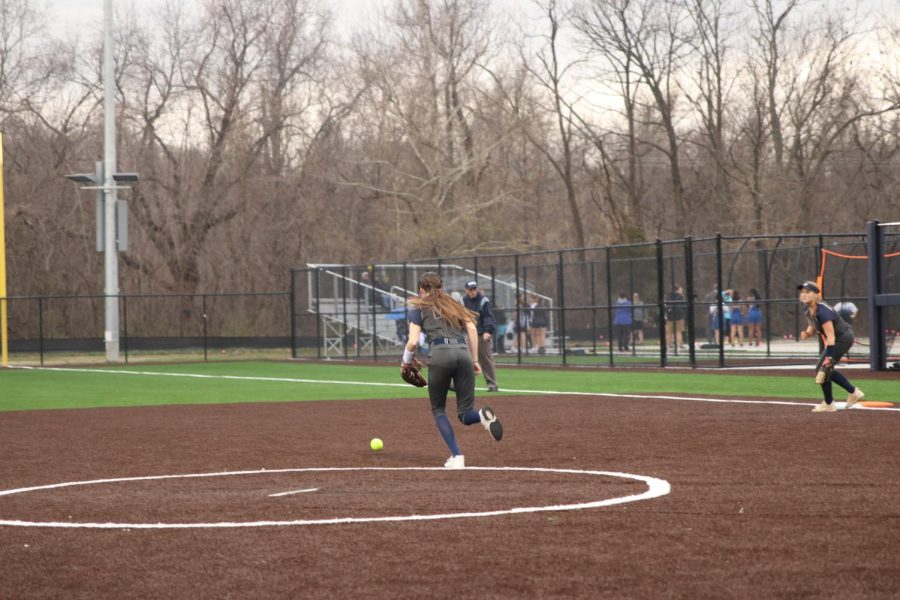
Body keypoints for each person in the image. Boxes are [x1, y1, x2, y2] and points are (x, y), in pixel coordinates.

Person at [402, 272, 503, 468]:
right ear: (441, 288)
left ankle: (457, 456)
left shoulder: (419, 306)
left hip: (440, 353)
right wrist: (475, 359)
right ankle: (482, 415)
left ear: (421, 290)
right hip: (463, 353)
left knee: (438, 409)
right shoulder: (454, 303)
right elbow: (473, 329)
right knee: (465, 414)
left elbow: (413, 341)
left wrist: (405, 362)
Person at [797, 281, 864, 413]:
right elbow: (812, 326)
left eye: (807, 292)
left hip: (842, 339)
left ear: (816, 294)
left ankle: (829, 403)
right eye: (802, 292)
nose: (803, 295)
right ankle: (853, 392)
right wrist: (807, 333)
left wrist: (830, 357)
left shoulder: (823, 311)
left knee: (822, 370)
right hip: (838, 339)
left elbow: (831, 336)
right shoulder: (808, 309)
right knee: (824, 370)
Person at [463, 280, 499, 392]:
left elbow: (488, 316)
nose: (473, 291)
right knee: (466, 360)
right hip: (469, 334)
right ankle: (466, 384)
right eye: (470, 289)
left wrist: (488, 331)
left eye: (474, 289)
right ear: (466, 290)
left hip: (481, 334)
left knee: (485, 359)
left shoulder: (483, 300)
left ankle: (492, 384)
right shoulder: (464, 301)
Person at [665, 285, 687, 349]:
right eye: (681, 289)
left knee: (669, 332)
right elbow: (684, 306)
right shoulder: (680, 296)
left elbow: (666, 305)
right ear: (677, 289)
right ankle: (679, 345)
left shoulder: (668, 296)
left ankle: (668, 345)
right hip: (678, 316)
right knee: (678, 331)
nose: (681, 291)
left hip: (670, 316)